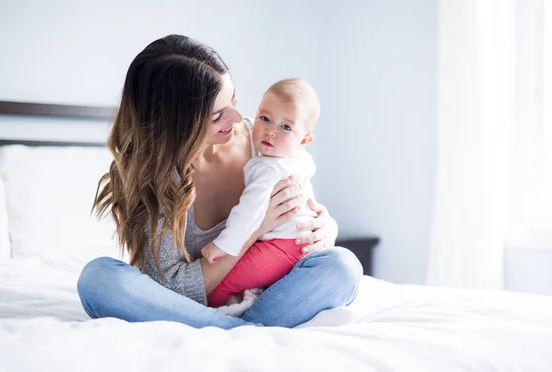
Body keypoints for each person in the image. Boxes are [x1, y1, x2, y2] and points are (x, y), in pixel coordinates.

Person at [76, 34, 362, 329]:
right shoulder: (158, 179)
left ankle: (224, 327)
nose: (238, 118)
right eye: (217, 116)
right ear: (178, 124)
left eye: (234, 100)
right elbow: (171, 288)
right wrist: (255, 229)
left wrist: (323, 228)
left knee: (343, 267)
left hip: (266, 294)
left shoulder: (263, 140)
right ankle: (239, 330)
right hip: (189, 303)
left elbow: (298, 213)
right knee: (98, 279)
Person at [202, 78, 322, 310]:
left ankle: (220, 319)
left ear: (304, 139)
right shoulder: (299, 159)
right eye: (265, 119)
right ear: (255, 114)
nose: (270, 132)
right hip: (297, 242)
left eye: (285, 127)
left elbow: (249, 213)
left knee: (218, 289)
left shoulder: (267, 168)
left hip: (284, 244)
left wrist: (222, 246)